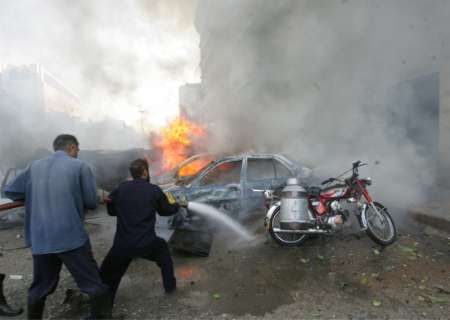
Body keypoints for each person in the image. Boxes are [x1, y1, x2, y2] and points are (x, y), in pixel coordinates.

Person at [4, 134, 112, 320]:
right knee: (93, 284)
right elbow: (90, 201)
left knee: (41, 286)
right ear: (71, 148)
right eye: (77, 149)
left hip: (41, 238)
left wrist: (36, 195)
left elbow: (11, 191)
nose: (78, 153)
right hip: (70, 237)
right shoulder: (80, 166)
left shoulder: (34, 166)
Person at [99, 158, 186, 307]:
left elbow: (112, 211)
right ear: (145, 172)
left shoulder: (121, 188)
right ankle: (170, 288)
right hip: (147, 243)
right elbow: (166, 211)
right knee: (164, 255)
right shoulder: (153, 190)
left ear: (132, 174)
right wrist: (177, 205)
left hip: (123, 245)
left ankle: (102, 310)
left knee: (108, 276)